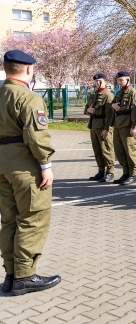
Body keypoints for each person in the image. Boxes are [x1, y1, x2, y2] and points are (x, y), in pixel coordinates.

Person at [0, 49, 61, 295]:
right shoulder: (28, 97)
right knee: (32, 219)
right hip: (25, 167)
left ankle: (11, 274)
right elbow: (36, 136)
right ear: (28, 69)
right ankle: (25, 276)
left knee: (9, 220)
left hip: (3, 166)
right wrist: (45, 165)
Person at [107, 71, 136, 185]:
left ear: (128, 79)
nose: (119, 82)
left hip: (127, 125)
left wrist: (134, 127)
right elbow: (112, 104)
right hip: (118, 124)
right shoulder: (119, 93)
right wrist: (113, 105)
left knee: (130, 151)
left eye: (121, 80)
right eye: (118, 80)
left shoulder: (133, 93)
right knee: (119, 151)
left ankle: (133, 175)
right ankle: (125, 173)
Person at [85, 73, 116, 183]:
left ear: (105, 81)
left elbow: (110, 114)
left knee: (106, 149)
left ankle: (110, 171)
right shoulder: (93, 94)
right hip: (93, 124)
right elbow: (86, 108)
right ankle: (101, 170)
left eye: (100, 81)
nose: (97, 83)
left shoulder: (108, 95)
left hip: (103, 124)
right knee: (97, 149)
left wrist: (107, 129)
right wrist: (88, 111)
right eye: (96, 81)